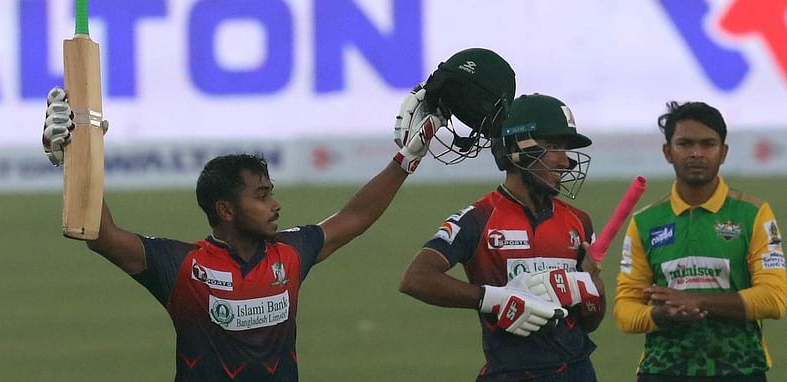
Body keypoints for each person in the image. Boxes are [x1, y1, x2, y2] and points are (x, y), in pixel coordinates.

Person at [42, 48, 516, 381]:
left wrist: (405, 161)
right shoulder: (182, 267)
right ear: (226, 210)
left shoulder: (289, 254)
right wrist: (73, 156)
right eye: (262, 196)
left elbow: (353, 217)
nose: (276, 205)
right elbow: (99, 233)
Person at [399, 93, 606, 381]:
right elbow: (415, 279)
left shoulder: (579, 221)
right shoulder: (478, 218)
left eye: (566, 148)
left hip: (578, 371)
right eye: (554, 146)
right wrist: (493, 299)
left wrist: (589, 287)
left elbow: (591, 321)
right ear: (518, 148)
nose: (565, 160)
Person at [614, 101, 787, 382]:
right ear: (668, 152)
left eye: (708, 144)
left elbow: (775, 299)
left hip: (740, 369)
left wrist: (698, 300)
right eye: (685, 144)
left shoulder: (754, 214)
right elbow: (625, 310)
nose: (696, 153)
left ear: (724, 152)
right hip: (662, 371)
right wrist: (661, 315)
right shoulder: (645, 222)